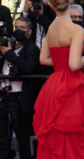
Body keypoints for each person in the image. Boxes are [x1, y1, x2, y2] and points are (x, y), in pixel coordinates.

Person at [32, 0, 84, 159]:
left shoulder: (51, 29)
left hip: (54, 85)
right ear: (70, 0)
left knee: (56, 133)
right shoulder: (77, 29)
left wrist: (61, 63)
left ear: (50, 5)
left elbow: (43, 59)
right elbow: (73, 64)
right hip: (71, 86)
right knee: (77, 138)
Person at [0, 16, 40, 159]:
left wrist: (9, 54)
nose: (19, 31)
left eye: (22, 28)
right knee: (3, 139)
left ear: (29, 31)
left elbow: (28, 68)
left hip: (21, 101)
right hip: (4, 99)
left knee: (23, 141)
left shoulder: (32, 49)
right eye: (16, 27)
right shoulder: (7, 45)